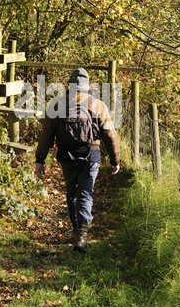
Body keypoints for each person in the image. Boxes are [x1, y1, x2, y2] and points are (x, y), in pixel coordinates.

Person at [35, 68, 120, 253]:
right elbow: (109, 134)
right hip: (91, 155)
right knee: (86, 193)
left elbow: (46, 135)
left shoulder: (56, 104)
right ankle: (82, 236)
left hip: (66, 156)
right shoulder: (97, 105)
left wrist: (40, 159)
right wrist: (115, 160)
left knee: (72, 191)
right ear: (87, 85)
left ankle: (76, 231)